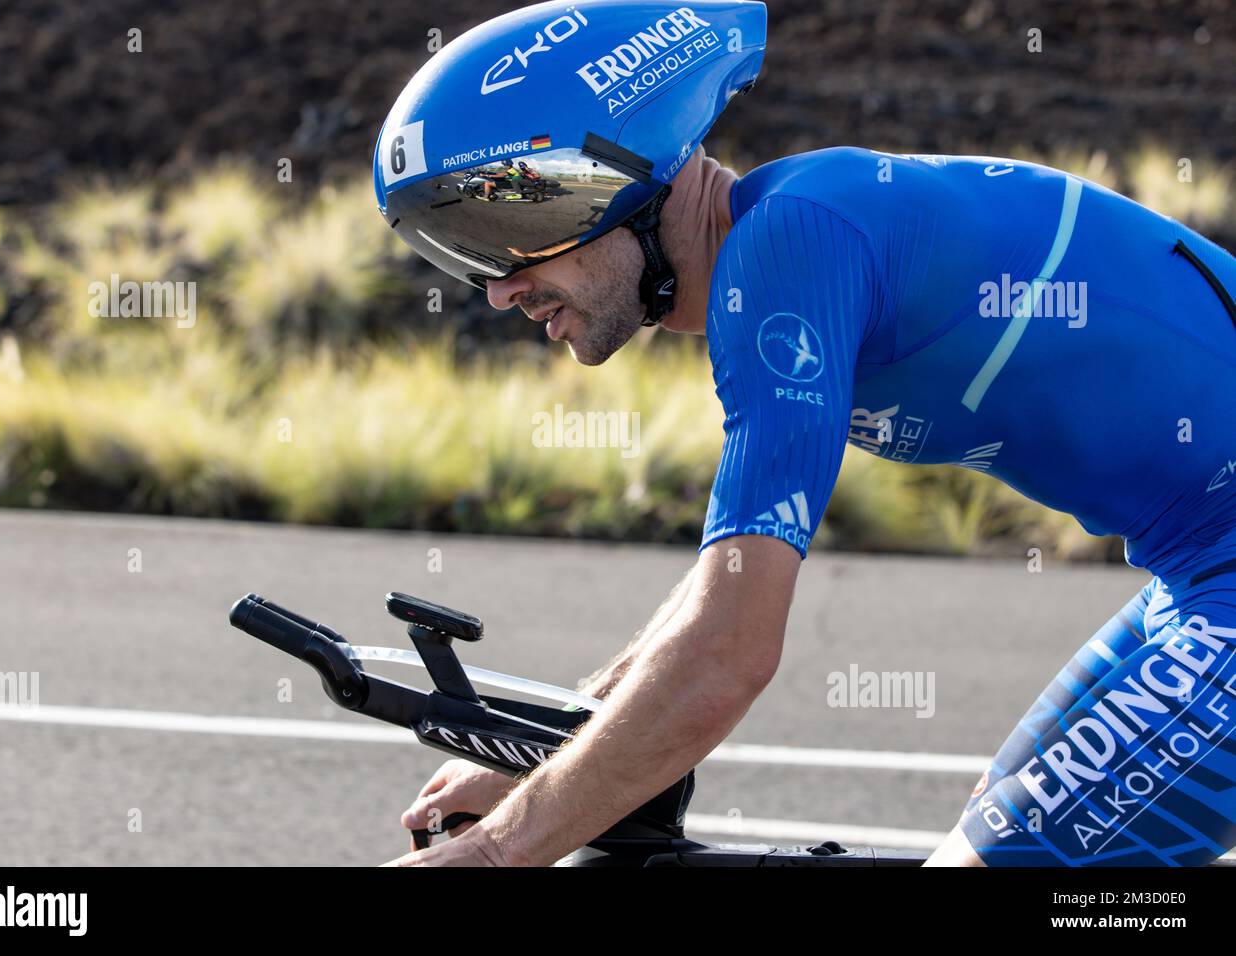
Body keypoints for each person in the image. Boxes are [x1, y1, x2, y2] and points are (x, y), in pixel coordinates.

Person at [373, 0, 1236, 866]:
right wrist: (561, 744)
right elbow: (718, 594)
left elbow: (728, 654)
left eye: (504, 227)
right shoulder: (779, 251)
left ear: (620, 177)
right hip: (1196, 569)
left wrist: (492, 854)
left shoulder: (789, 248)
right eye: (461, 251)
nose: (495, 288)